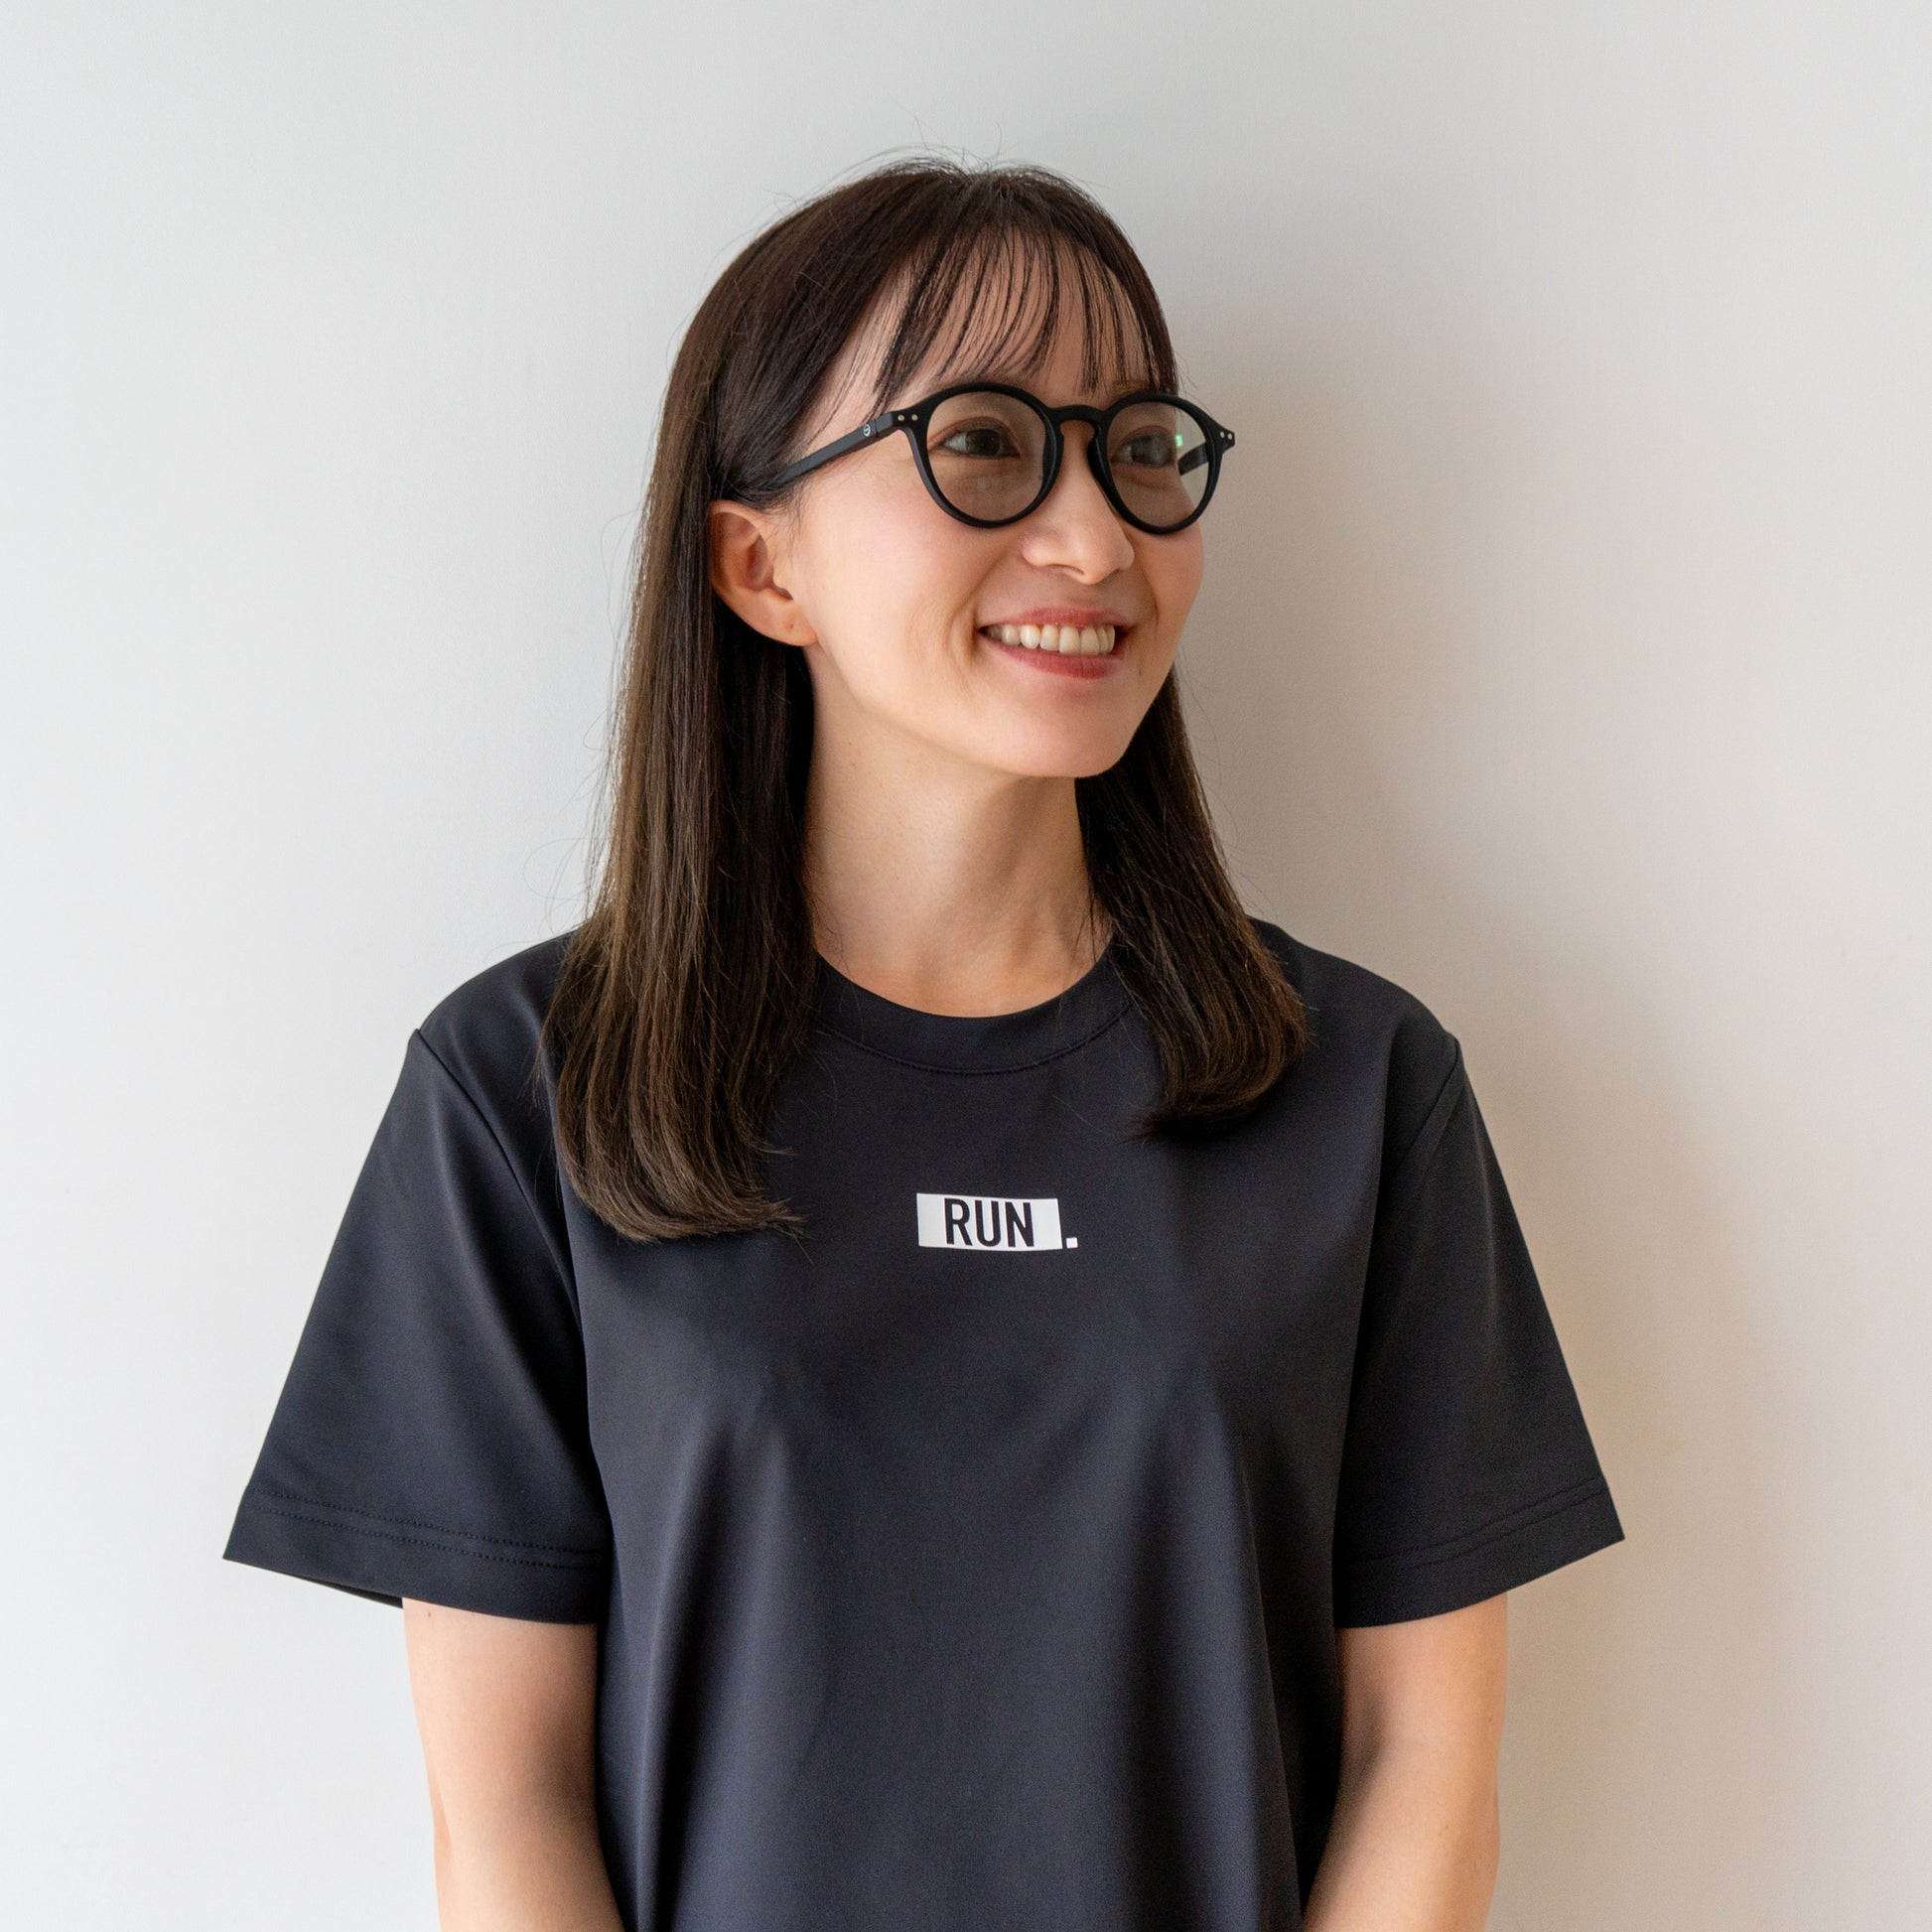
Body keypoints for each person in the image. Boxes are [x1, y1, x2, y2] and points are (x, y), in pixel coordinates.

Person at [224, 156, 1624, 1932]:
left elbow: (1425, 1767)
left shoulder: (1354, 1084)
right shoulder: (528, 1089)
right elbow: (506, 1808)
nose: (1095, 539)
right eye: (979, 444)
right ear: (759, 564)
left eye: (1137, 450)